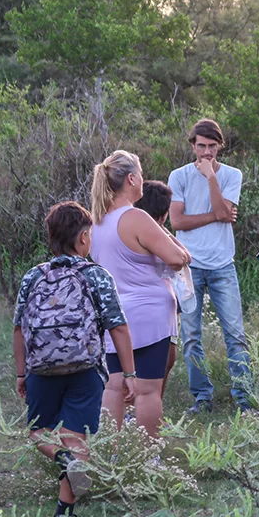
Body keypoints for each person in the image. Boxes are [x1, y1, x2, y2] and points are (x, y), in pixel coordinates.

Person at [13, 201, 137, 517]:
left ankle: (64, 460)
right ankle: (64, 515)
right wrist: (130, 373)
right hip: (86, 369)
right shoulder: (96, 275)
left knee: (38, 432)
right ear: (83, 238)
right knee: (75, 438)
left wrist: (20, 373)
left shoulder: (32, 277)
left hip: (41, 368)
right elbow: (118, 327)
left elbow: (18, 328)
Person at [90, 150, 190, 438]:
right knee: (147, 391)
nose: (144, 181)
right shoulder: (136, 217)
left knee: (113, 385)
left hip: (114, 316)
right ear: (131, 179)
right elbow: (176, 259)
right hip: (149, 316)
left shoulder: (97, 221)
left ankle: (110, 452)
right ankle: (147, 459)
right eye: (141, 175)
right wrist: (169, 239)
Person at [168, 119, 251, 414]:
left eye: (212, 147)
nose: (206, 152)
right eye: (201, 146)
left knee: (236, 335)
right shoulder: (178, 176)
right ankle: (202, 398)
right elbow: (176, 221)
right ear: (192, 146)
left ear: (219, 147)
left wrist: (211, 179)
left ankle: (245, 399)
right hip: (188, 264)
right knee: (191, 336)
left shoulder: (231, 175)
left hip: (221, 265)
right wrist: (217, 215)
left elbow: (221, 209)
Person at [134, 181, 180, 399]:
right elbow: (181, 258)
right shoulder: (142, 232)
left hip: (160, 303)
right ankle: (147, 406)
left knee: (167, 358)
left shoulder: (153, 233)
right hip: (151, 305)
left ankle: (152, 405)